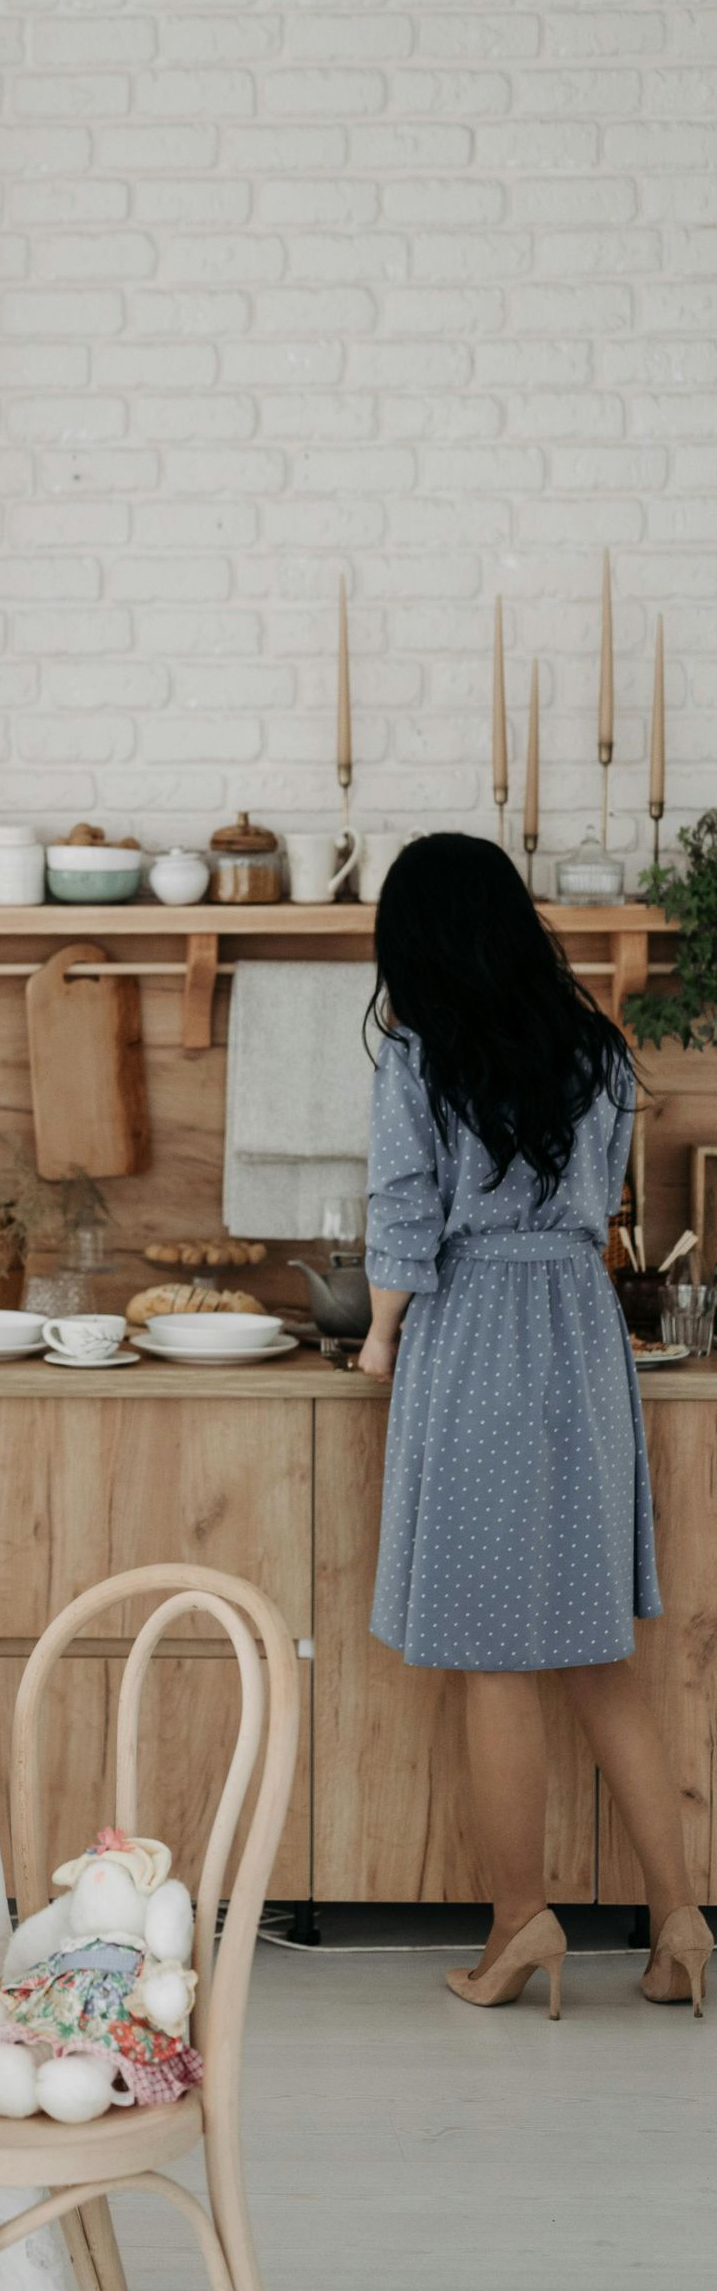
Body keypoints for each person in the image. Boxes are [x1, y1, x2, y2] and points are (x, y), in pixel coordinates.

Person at [357, 834, 709, 2019]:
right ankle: (679, 1923)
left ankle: (520, 1922)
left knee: (492, 1659)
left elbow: (407, 1213)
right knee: (599, 1654)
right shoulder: (596, 1048)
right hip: (580, 1326)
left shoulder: (421, 1054)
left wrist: (379, 1333)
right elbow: (604, 1198)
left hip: (475, 1335)